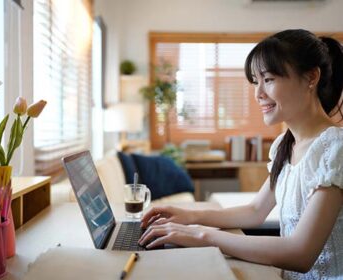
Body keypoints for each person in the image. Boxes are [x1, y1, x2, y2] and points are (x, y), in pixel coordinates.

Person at [138, 29, 343, 280]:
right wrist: (189, 215)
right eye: (256, 81)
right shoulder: (284, 145)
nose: (258, 94)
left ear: (311, 77)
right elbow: (255, 211)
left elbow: (300, 254)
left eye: (268, 79)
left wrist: (202, 235)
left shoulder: (335, 148)